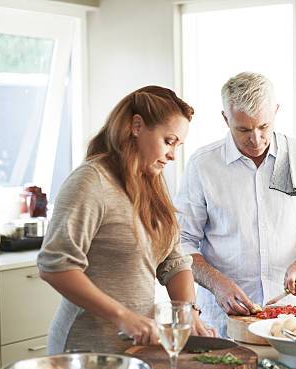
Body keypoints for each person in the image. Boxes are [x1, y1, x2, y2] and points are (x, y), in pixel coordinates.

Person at [38, 85, 216, 354]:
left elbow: (174, 261)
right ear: (136, 126)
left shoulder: (152, 184)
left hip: (132, 350)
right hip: (84, 350)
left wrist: (187, 312)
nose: (172, 155)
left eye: (178, 145)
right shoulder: (91, 182)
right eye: (169, 141)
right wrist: (123, 316)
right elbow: (56, 266)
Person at [175, 72, 296, 336]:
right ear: (225, 118)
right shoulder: (203, 166)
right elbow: (181, 242)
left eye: (264, 126)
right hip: (222, 320)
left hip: (286, 322)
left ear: (275, 112)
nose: (255, 139)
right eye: (243, 129)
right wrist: (217, 283)